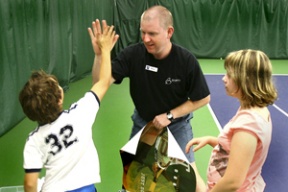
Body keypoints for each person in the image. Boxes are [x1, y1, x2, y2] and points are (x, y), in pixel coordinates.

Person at [92, 5, 210, 191]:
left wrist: (170, 116)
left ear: (169, 32)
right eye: (143, 33)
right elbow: (100, 82)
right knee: (131, 180)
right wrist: (100, 55)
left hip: (176, 125)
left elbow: (203, 98)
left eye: (152, 34)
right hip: (143, 124)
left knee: (193, 183)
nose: (146, 39)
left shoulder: (186, 61)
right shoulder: (132, 55)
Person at [19, 20, 119, 192]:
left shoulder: (33, 141)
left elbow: (30, 184)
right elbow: (103, 82)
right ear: (59, 99)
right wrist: (105, 51)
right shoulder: (80, 113)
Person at [186, 49, 278, 191]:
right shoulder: (253, 110)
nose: (224, 78)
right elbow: (240, 151)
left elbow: (232, 182)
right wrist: (211, 140)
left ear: (245, 79)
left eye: (229, 74)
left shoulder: (248, 125)